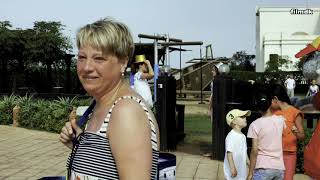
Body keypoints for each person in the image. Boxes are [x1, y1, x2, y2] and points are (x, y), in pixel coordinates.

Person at [59, 18, 159, 180]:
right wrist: (79, 142)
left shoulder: (126, 111)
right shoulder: (100, 104)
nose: (86, 67)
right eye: (82, 57)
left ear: (123, 63)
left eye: (99, 59)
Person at [247, 88, 286, 180]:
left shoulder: (254, 125)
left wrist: (250, 172)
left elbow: (254, 151)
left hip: (263, 167)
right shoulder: (281, 120)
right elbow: (284, 107)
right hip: (279, 168)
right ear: (271, 103)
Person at [270, 84, 305, 180]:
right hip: (272, 154)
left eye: (270, 100)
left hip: (289, 155)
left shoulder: (294, 112)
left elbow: (302, 136)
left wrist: (295, 131)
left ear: (275, 98)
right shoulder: (271, 112)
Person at [224, 109, 251, 180]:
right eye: (242, 117)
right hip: (233, 172)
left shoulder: (243, 136)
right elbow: (229, 152)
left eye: (245, 116)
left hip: (241, 171)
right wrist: (232, 168)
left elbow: (244, 153)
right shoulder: (231, 136)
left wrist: (250, 164)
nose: (245, 118)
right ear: (234, 121)